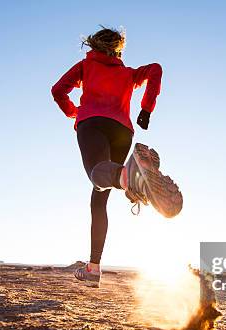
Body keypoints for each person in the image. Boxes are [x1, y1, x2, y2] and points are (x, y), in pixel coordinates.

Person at [51, 27, 182, 287]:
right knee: (99, 196)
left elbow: (57, 90)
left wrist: (74, 112)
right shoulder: (127, 73)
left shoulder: (85, 67)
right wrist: (146, 108)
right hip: (122, 130)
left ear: (94, 45)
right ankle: (93, 268)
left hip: (93, 123)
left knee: (98, 176)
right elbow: (155, 69)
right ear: (118, 48)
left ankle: (131, 177)